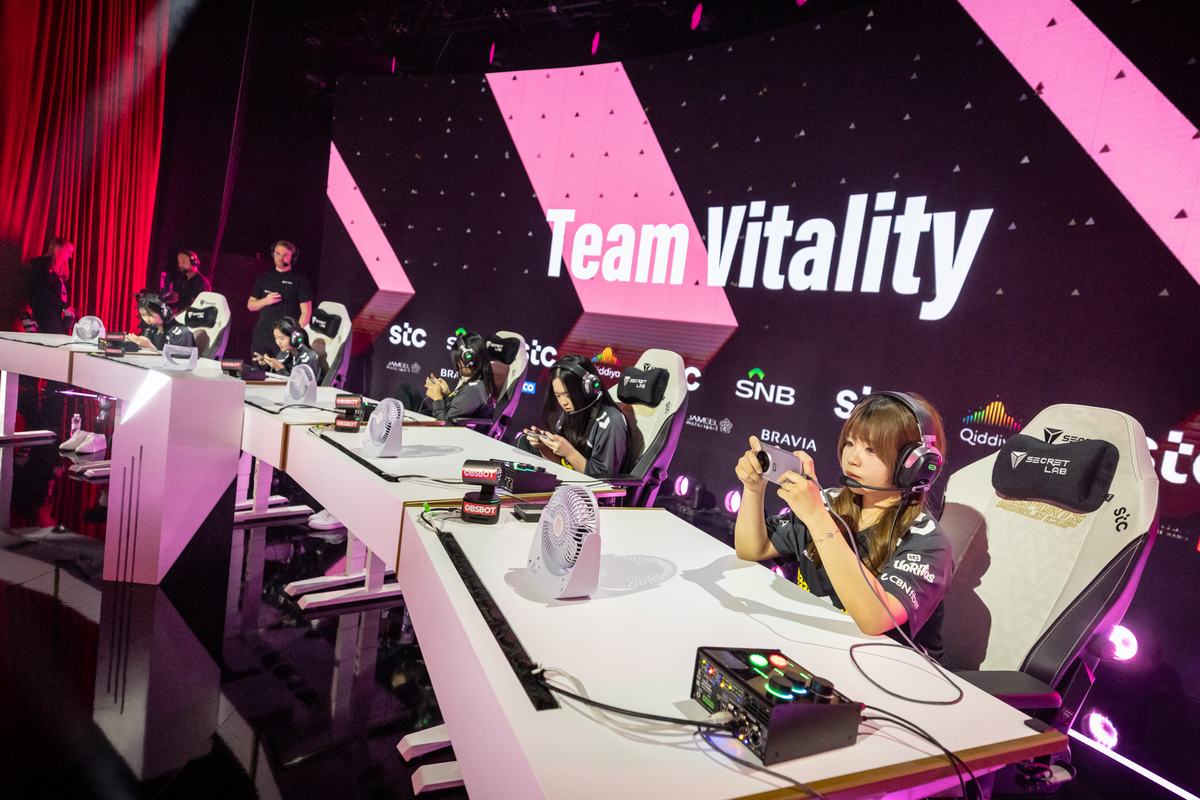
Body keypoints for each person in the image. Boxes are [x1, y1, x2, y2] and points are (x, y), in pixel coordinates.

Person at [733, 391, 953, 660]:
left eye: (871, 450)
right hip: (813, 649)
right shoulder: (829, 502)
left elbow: (874, 620)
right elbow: (752, 549)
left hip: (888, 667)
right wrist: (753, 489)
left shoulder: (927, 542)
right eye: (850, 443)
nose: (853, 458)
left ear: (915, 465)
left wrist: (817, 518)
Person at [518, 354, 631, 478]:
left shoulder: (611, 421)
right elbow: (563, 464)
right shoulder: (572, 412)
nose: (563, 402)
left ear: (588, 389)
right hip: (568, 480)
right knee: (524, 442)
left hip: (591, 488)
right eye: (558, 395)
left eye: (568, 394)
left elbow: (604, 479)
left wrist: (570, 453)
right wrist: (545, 447)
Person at [394, 332, 496, 421]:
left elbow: (445, 427)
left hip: (440, 427)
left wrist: (438, 399)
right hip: (441, 417)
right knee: (406, 390)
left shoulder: (473, 391)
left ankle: (401, 429)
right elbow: (457, 409)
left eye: (458, 360)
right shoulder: (477, 384)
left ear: (469, 360)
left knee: (404, 394)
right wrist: (445, 394)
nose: (457, 365)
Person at [247, 240, 312, 356]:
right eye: (277, 253)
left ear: (293, 258)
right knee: (258, 365)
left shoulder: (300, 280)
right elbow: (251, 306)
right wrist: (266, 301)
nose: (280, 258)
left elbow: (306, 313)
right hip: (262, 334)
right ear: (273, 254)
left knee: (282, 367)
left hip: (285, 336)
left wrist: (294, 335)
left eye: (285, 255)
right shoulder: (263, 278)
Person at [26, 237, 76, 335]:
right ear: (59, 249)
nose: (70, 256)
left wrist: (68, 310)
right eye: (68, 252)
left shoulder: (59, 272)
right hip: (46, 314)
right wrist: (64, 306)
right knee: (54, 340)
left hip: (56, 316)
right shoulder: (41, 265)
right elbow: (43, 292)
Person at [252, 316, 322, 383]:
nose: (278, 342)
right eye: (276, 338)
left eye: (282, 338)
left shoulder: (309, 358)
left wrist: (281, 369)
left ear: (294, 338)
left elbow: (302, 386)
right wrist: (267, 365)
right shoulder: (283, 354)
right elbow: (276, 378)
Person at [125, 292, 195, 351]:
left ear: (163, 312)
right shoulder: (151, 331)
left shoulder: (182, 333)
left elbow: (179, 361)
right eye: (143, 315)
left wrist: (150, 347)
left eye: (150, 315)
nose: (146, 319)